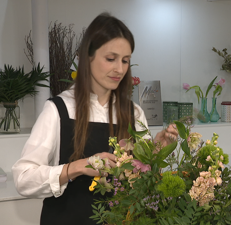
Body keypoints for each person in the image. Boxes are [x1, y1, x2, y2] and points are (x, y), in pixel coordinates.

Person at [12, 12, 178, 225]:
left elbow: (143, 184)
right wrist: (78, 167)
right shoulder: (59, 109)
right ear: (86, 57)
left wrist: (155, 152)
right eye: (111, 59)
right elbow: (23, 179)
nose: (119, 69)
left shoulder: (133, 113)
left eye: (125, 60)